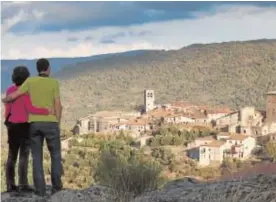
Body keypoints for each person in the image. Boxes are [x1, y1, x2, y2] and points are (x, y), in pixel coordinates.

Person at [2, 58, 63, 196]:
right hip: (35, 124)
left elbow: (10, 101)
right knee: (37, 155)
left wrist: (6, 111)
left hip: (21, 125)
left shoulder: (18, 87)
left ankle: (21, 186)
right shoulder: (43, 86)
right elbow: (36, 107)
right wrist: (52, 115)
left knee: (23, 156)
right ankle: (48, 187)